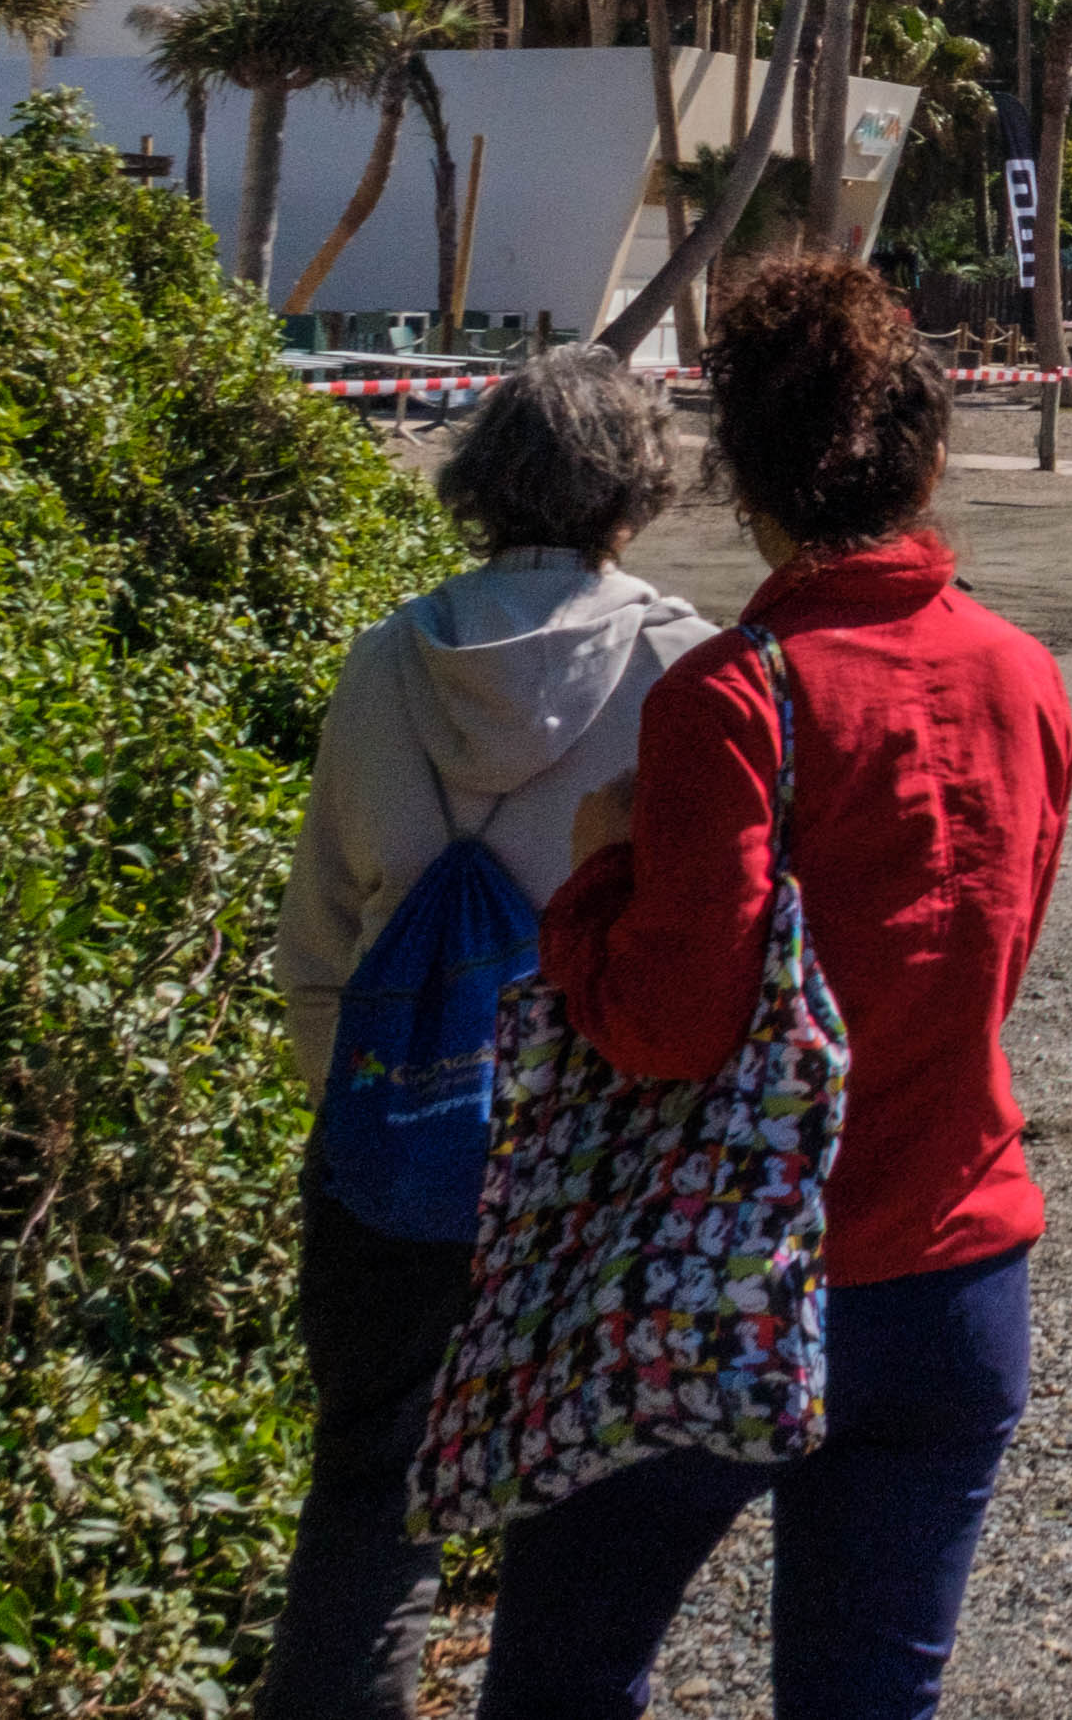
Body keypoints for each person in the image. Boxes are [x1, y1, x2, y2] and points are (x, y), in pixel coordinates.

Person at [476, 258, 1072, 1720]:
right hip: (957, 1266)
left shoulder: (735, 698)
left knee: (562, 1670)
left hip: (736, 1271)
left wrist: (597, 878)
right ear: (927, 457)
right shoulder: (1023, 674)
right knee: (872, 1693)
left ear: (740, 466)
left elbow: (674, 1021)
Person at [264, 349, 711, 1720]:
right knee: (576, 1523)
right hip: (594, 1156)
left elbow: (323, 918)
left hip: (397, 1146)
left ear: (476, 475)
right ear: (636, 485)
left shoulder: (387, 656)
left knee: (366, 1496)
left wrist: (352, 1113)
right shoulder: (681, 666)